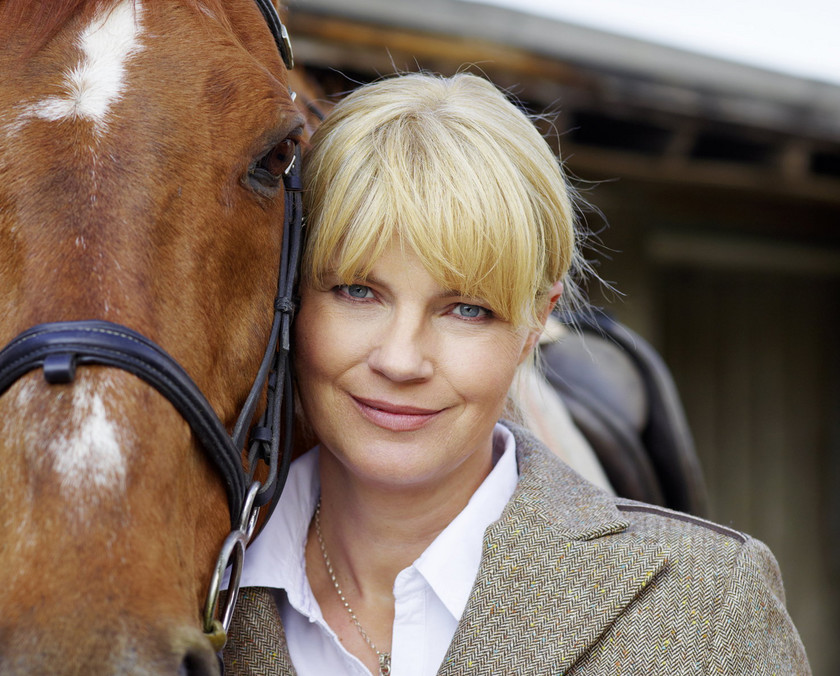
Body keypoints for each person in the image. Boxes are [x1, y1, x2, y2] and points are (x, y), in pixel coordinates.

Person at [221, 72, 809, 675]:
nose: (400, 360)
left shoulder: (707, 610)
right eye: (356, 291)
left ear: (537, 321)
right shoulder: (186, 593)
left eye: (467, 310)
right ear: (291, 293)